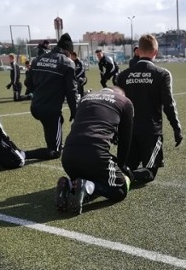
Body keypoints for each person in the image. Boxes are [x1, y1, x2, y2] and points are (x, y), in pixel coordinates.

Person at [56, 86, 134, 214]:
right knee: (120, 191)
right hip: (95, 154)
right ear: (120, 95)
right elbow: (125, 139)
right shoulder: (124, 101)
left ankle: (69, 185)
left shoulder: (85, 98)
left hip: (68, 156)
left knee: (89, 179)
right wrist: (122, 165)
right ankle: (87, 186)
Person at [117, 34, 183, 183]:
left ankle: (110, 180)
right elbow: (169, 104)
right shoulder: (162, 74)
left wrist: (115, 131)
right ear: (156, 52)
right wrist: (176, 128)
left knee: (127, 167)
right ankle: (124, 179)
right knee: (149, 173)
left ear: (138, 51)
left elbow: (117, 106)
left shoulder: (123, 76)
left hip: (128, 134)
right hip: (151, 133)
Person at [24, 33, 78, 160]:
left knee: (53, 127)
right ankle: (23, 154)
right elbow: (71, 91)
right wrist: (75, 112)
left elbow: (28, 83)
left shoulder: (38, 59)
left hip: (36, 107)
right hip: (51, 110)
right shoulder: (67, 63)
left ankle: (53, 144)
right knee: (55, 152)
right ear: (68, 51)